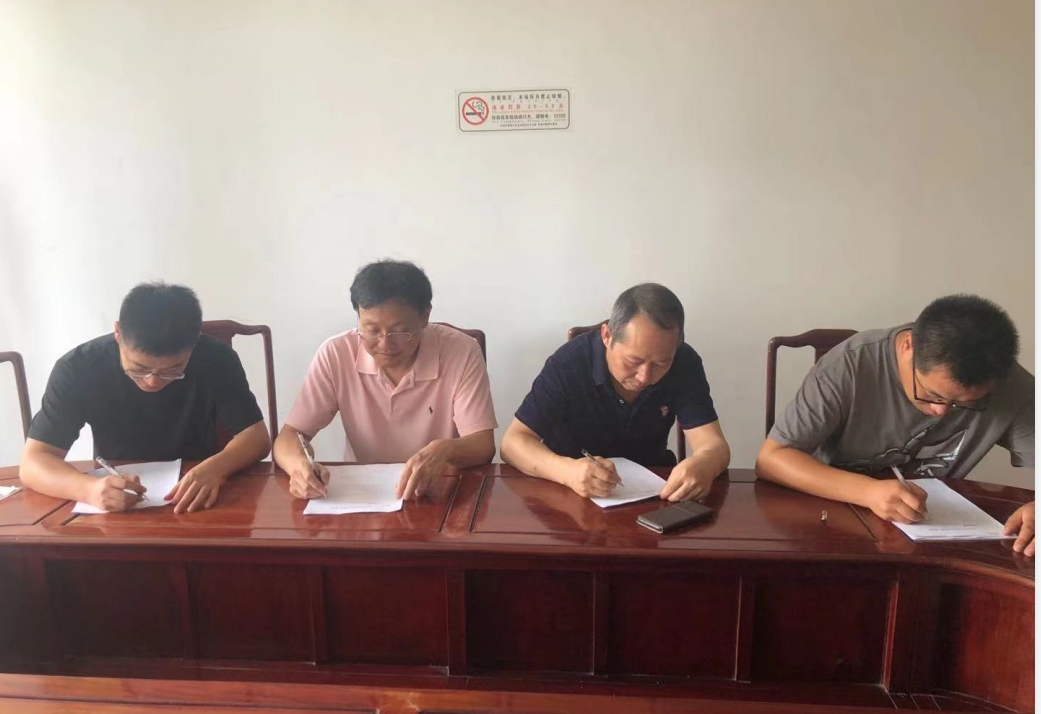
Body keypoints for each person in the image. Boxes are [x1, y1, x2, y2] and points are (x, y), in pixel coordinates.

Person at [756, 294, 1035, 556]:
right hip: (833, 520)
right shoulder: (849, 365)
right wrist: (867, 492)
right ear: (907, 346)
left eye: (964, 404)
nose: (940, 412)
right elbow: (772, 459)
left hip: (933, 537)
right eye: (932, 394)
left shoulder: (1013, 385)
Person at [20, 282, 270, 513]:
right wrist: (88, 490)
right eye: (138, 369)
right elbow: (34, 462)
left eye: (172, 370)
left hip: (196, 496)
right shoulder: (78, 368)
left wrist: (217, 467)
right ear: (118, 333)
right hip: (119, 496)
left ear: (194, 343)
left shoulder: (217, 359)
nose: (152, 381)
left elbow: (256, 438)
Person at [274, 260, 496, 500]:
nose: (385, 344)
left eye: (399, 331)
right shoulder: (336, 353)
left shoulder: (461, 352)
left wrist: (443, 450)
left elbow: (482, 445)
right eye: (371, 330)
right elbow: (290, 436)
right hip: (360, 496)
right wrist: (298, 467)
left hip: (437, 492)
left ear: (424, 317)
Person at [500, 283, 730, 501]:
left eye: (661, 363)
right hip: (571, 495)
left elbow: (714, 445)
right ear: (607, 336)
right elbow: (512, 443)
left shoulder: (684, 363)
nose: (645, 377)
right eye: (633, 361)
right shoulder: (569, 363)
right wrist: (568, 472)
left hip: (654, 493)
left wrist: (705, 463)